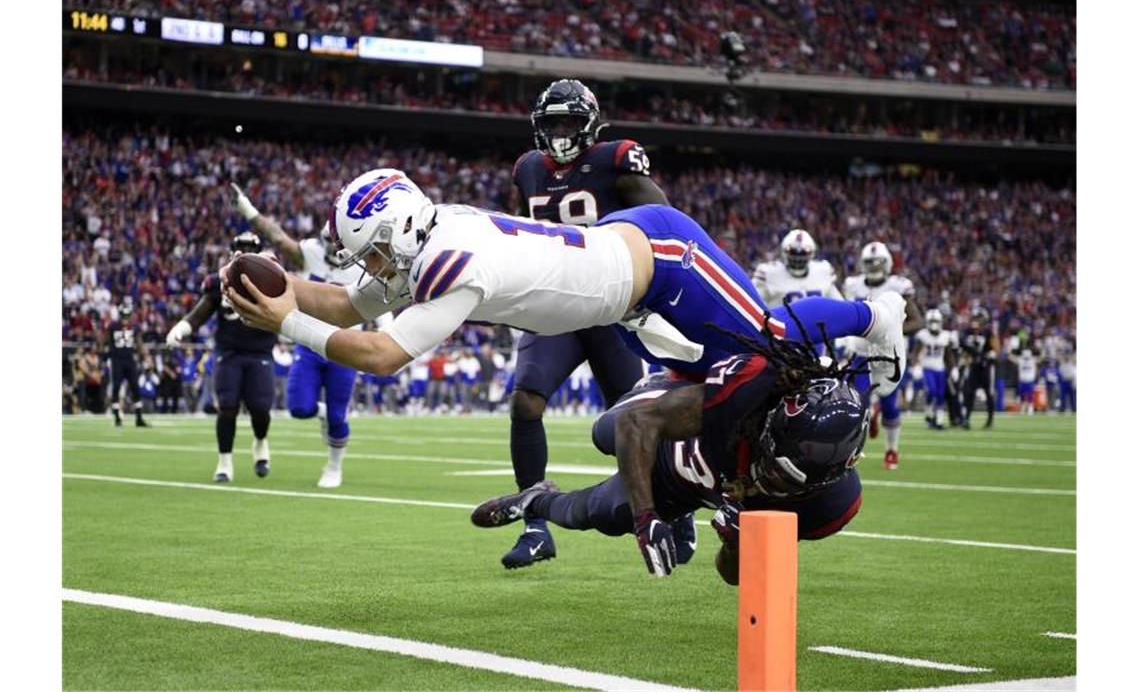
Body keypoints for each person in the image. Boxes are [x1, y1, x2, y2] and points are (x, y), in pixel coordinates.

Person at [223, 171, 907, 414]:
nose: (368, 265)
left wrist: (285, 321)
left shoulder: (452, 262)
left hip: (663, 259)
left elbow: (378, 354)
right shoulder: (432, 235)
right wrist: (276, 286)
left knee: (769, 335)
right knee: (726, 378)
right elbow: (345, 304)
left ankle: (879, 314)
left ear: (400, 231)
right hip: (629, 282)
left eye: (371, 249)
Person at [470, 322, 871, 582]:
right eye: (772, 461)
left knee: (598, 513)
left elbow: (735, 578)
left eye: (785, 479)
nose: (768, 478)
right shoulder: (751, 393)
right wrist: (646, 519)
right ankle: (656, 515)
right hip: (677, 434)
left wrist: (736, 541)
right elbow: (637, 425)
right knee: (606, 431)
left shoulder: (831, 506)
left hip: (689, 486)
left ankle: (535, 502)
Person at [501, 78, 673, 569]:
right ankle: (535, 525)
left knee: (630, 421)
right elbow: (523, 233)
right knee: (525, 398)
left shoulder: (614, 159)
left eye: (569, 122)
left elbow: (664, 219)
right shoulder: (528, 169)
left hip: (608, 305)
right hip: (554, 304)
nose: (560, 132)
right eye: (552, 123)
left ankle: (670, 512)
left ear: (591, 125)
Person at [231, 183, 368, 488]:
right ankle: (321, 414)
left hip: (346, 345)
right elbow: (278, 237)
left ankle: (334, 467)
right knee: (299, 407)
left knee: (338, 415)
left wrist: (387, 328)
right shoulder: (312, 254)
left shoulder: (364, 266)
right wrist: (247, 209)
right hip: (310, 342)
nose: (334, 249)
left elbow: (382, 301)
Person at [166, 232, 277, 482]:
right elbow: (201, 312)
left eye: (250, 250)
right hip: (229, 352)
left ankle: (260, 443)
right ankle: (224, 462)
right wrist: (182, 328)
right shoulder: (219, 282)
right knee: (227, 406)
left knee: (260, 408)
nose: (243, 255)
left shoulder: (271, 280)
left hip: (260, 351)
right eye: (240, 250)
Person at [842, 241, 923, 470]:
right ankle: (852, 453)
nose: (874, 266)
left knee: (889, 404)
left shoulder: (898, 286)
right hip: (859, 352)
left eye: (878, 262)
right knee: (856, 404)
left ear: (887, 264)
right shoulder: (853, 285)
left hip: (889, 354)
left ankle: (891, 451)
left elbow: (917, 320)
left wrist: (889, 329)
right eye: (870, 263)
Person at [751, 229, 843, 308]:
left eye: (803, 254)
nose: (798, 258)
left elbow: (840, 306)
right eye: (793, 252)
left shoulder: (822, 271)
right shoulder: (769, 273)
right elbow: (753, 305)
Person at [104, 300, 151, 427]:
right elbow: (106, 341)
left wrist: (146, 356)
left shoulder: (134, 327)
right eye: (124, 317)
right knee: (116, 387)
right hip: (117, 359)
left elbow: (139, 343)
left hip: (130, 359)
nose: (125, 319)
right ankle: (117, 418)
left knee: (135, 387)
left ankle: (139, 418)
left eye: (127, 316)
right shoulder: (113, 326)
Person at [914, 309, 956, 430]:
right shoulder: (923, 335)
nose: (934, 324)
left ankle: (939, 421)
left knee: (940, 395)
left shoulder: (945, 335)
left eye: (936, 321)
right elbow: (915, 353)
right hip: (927, 368)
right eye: (932, 321)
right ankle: (929, 415)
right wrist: (916, 365)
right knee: (932, 392)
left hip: (940, 369)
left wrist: (953, 368)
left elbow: (948, 355)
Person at [959, 306, 1000, 429]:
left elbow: (996, 350)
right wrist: (967, 358)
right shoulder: (967, 332)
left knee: (989, 393)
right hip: (973, 366)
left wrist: (989, 355)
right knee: (969, 392)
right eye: (975, 317)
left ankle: (990, 420)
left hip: (986, 366)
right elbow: (964, 347)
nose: (975, 320)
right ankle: (966, 419)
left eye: (978, 317)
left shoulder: (988, 332)